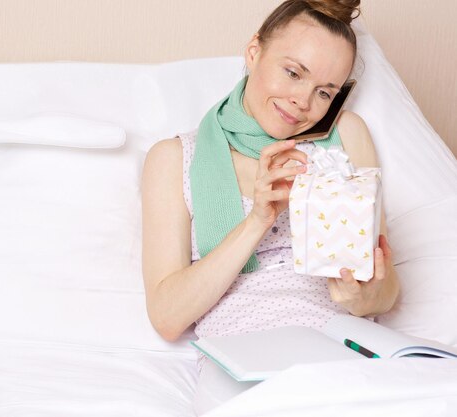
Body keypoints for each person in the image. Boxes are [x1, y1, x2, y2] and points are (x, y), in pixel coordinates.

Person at [141, 0, 400, 414]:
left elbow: (385, 293)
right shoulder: (174, 159)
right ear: (253, 51)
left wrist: (362, 297)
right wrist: (259, 219)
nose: (302, 101)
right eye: (293, 72)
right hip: (245, 365)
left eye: (324, 93)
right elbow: (168, 317)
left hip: (342, 351)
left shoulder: (347, 137)